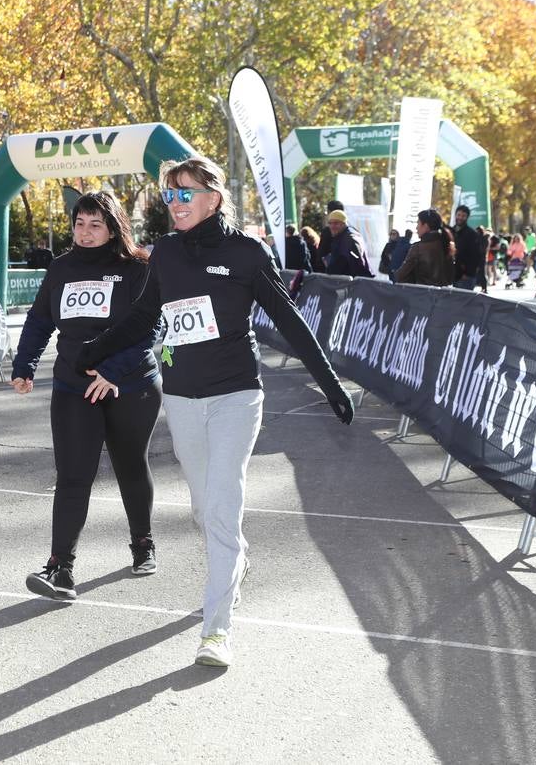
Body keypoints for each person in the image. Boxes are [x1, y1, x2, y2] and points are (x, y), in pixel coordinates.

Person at [76, 157, 353, 668]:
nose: (176, 204)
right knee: (206, 510)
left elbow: (288, 320)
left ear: (213, 199)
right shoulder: (166, 254)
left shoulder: (247, 253)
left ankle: (217, 630)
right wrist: (97, 349)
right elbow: (144, 317)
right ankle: (235, 563)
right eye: (170, 195)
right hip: (181, 397)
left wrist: (330, 381)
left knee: (222, 511)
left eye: (185, 194)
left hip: (235, 397)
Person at [11, 192, 161, 601]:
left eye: (96, 224)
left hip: (131, 385)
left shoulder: (138, 268)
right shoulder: (61, 268)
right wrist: (24, 364)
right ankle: (60, 567)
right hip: (73, 386)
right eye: (80, 223)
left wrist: (112, 372)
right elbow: (40, 319)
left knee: (131, 465)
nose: (86, 232)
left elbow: (150, 330)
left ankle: (142, 542)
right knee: (73, 475)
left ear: (113, 227)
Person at [394, 209, 455, 287]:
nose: (416, 228)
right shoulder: (447, 245)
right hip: (443, 296)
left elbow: (401, 276)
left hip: (422, 295)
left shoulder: (418, 248)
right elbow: (450, 278)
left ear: (425, 226)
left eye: (418, 223)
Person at [322, 210, 373, 277]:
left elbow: (355, 264)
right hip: (349, 281)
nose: (332, 226)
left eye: (336, 223)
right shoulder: (343, 235)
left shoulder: (349, 239)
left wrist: (331, 268)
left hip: (353, 283)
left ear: (344, 223)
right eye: (330, 223)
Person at [450, 204, 482, 291]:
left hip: (465, 278)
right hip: (452, 276)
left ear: (467, 217)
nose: (460, 218)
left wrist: (468, 273)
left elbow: (476, 255)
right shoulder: (450, 232)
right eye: (458, 215)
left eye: (463, 216)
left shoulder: (472, 234)